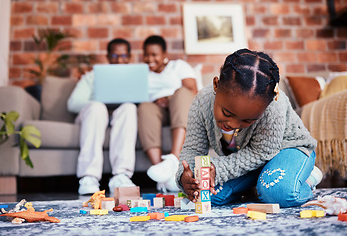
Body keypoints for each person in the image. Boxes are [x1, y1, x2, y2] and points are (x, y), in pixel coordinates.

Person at [176, 48, 323, 207]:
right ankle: (257, 185)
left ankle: (308, 179)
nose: (233, 124)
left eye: (247, 120)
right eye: (227, 112)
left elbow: (261, 152)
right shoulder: (201, 102)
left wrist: (217, 168)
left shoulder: (274, 106)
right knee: (209, 194)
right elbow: (193, 148)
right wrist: (187, 178)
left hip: (288, 149)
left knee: (277, 193)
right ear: (216, 85)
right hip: (248, 161)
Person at [67, 38, 137, 195]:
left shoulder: (135, 78)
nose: (119, 60)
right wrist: (101, 100)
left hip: (119, 118)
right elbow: (72, 103)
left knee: (129, 108)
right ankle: (88, 177)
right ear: (107, 56)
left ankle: (121, 176)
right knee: (97, 108)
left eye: (124, 56)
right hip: (94, 116)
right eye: (114, 56)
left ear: (130, 57)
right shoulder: (92, 77)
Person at [137, 35, 198, 192]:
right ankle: (161, 172)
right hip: (156, 112)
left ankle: (173, 158)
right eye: (146, 54)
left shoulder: (178, 66)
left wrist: (169, 98)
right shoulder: (140, 73)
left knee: (182, 92)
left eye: (154, 54)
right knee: (144, 107)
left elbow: (192, 90)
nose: (150, 58)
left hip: (179, 107)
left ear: (165, 54)